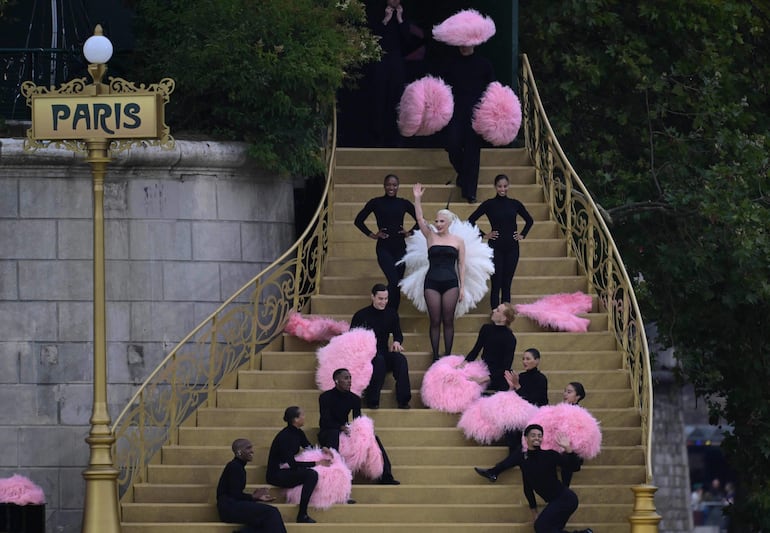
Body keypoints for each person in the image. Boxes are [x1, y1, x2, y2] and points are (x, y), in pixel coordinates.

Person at [474, 348, 548, 482]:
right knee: (511, 429)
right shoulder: (521, 377)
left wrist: (518, 386)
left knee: (520, 445)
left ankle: (496, 470)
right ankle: (513, 462)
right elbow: (515, 398)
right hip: (520, 417)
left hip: (535, 418)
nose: (525, 361)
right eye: (523, 359)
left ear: (537, 361)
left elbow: (533, 400)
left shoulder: (541, 379)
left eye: (528, 359)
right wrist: (511, 387)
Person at [317, 368, 400, 485]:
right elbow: (325, 421)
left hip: (346, 430)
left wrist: (358, 431)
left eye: (350, 378)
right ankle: (335, 477)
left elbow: (358, 420)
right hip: (329, 430)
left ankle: (386, 476)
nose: (349, 381)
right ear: (336, 380)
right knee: (333, 434)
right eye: (346, 378)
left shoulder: (354, 399)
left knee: (373, 438)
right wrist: (341, 427)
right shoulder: (325, 397)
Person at [412, 182, 465, 360]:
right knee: (435, 320)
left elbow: (461, 265)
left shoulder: (458, 241)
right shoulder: (430, 236)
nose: (438, 224)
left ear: (449, 223)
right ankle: (435, 356)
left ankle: (448, 356)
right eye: (436, 221)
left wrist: (463, 287)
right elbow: (420, 219)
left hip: (451, 283)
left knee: (448, 320)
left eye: (442, 221)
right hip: (432, 282)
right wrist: (417, 199)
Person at [468, 174, 534, 308]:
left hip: (512, 248)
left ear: (508, 186)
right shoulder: (489, 204)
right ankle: (494, 313)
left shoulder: (515, 204)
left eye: (505, 186)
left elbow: (529, 220)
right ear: (495, 187)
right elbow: (470, 220)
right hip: (495, 247)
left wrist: (522, 235)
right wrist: (484, 235)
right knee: (496, 283)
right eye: (499, 186)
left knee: (507, 283)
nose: (502, 189)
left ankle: (505, 316)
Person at [354, 174, 417, 310]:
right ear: (384, 185)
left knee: (397, 284)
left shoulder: (403, 203)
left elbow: (420, 219)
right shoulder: (376, 202)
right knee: (393, 281)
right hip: (384, 248)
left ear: (398, 187)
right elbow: (358, 221)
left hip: (400, 248)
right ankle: (382, 311)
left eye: (394, 185)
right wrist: (372, 234)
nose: (391, 187)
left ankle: (391, 315)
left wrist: (409, 232)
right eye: (388, 184)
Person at [442, 45, 495, 203]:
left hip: (477, 112)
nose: (464, 47)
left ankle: (470, 192)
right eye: (461, 44)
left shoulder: (484, 64)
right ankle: (465, 177)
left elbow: (492, 87)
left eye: (467, 44)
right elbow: (443, 87)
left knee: (472, 151)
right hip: (456, 111)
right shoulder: (451, 64)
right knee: (452, 144)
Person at [519, 424, 592, 533]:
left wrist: (568, 449)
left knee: (541, 527)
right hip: (555, 501)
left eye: (539, 435)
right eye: (533, 435)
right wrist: (534, 512)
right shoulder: (524, 461)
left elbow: (575, 467)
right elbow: (527, 488)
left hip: (566, 498)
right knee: (550, 529)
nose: (537, 438)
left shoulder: (550, 455)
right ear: (526, 438)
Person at [266, 406, 333, 524]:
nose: (304, 417)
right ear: (296, 419)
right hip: (277, 474)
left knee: (325, 468)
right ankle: (302, 514)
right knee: (311, 475)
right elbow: (292, 464)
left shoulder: (298, 432)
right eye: (302, 415)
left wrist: (323, 449)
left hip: (287, 469)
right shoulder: (284, 437)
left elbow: (308, 446)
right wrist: (316, 463)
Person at [350, 283, 412, 409]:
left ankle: (403, 400)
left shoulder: (391, 314)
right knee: (378, 361)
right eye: (380, 299)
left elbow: (398, 334)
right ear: (372, 297)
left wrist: (397, 342)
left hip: (384, 351)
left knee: (400, 359)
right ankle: (372, 400)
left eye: (386, 299)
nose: (383, 302)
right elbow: (352, 338)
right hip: (367, 355)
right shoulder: (361, 315)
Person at [216, 438, 287, 533]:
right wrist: (253, 497)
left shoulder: (238, 466)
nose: (252, 451)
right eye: (248, 448)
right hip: (229, 508)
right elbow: (235, 495)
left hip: (231, 506)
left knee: (266, 520)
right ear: (239, 452)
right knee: (271, 512)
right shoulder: (234, 467)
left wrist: (255, 498)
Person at [366, 0, 411, 146]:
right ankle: (376, 138)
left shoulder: (404, 14)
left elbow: (409, 42)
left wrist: (400, 20)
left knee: (397, 99)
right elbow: (372, 38)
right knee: (379, 99)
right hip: (380, 62)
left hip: (397, 62)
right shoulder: (377, 11)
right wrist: (385, 19)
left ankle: (397, 138)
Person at [463, 302, 517, 392]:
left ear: (504, 318)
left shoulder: (510, 338)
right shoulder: (486, 329)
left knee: (504, 385)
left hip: (497, 374)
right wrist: (463, 363)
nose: (493, 310)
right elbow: (476, 350)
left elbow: (506, 367)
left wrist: (483, 379)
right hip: (483, 368)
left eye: (498, 310)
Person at [559, 382, 586, 488]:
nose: (565, 394)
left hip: (572, 451)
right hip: (559, 446)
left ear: (577, 397)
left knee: (567, 457)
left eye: (569, 392)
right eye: (565, 391)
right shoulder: (559, 410)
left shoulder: (581, 414)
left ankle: (564, 489)